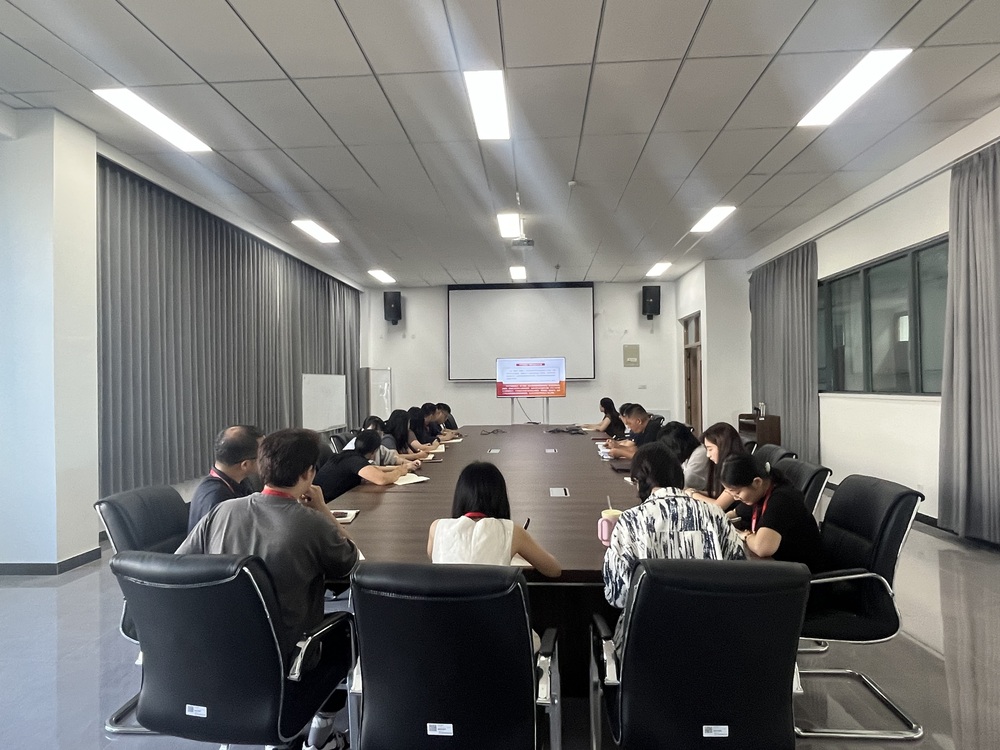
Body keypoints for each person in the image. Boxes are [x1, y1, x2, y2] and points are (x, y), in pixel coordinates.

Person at [177, 428, 358, 750]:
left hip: (220, 653)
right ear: (309, 473)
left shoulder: (222, 512)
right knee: (347, 632)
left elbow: (180, 568)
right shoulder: (311, 523)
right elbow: (351, 565)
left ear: (261, 467)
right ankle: (321, 737)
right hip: (291, 660)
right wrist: (322, 510)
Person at [603, 442, 745, 647]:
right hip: (713, 641)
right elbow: (740, 575)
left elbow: (616, 597)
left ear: (638, 482)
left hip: (647, 644)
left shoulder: (630, 521)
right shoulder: (715, 515)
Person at [427, 462, 561, 578]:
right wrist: (517, 550)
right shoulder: (511, 532)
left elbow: (435, 555)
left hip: (445, 601)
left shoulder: (437, 528)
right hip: (491, 601)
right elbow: (554, 570)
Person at [719, 453, 825, 573]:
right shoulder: (759, 493)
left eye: (737, 492)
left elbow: (762, 548)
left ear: (757, 482)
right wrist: (720, 520)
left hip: (803, 576)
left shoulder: (782, 499)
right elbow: (734, 514)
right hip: (779, 567)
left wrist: (745, 536)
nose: (735, 497)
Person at [187, 424, 264, 532]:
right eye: (263, 456)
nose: (267, 459)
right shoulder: (216, 498)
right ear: (245, 465)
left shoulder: (240, 481)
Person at [314, 429, 411, 502]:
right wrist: (399, 472)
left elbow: (373, 469)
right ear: (374, 451)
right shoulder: (355, 460)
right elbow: (382, 479)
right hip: (328, 504)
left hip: (324, 500)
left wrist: (398, 468)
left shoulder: (347, 455)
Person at [687, 422, 748, 511]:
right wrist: (697, 492)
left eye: (710, 449)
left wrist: (692, 494)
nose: (708, 455)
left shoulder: (737, 468)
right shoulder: (726, 464)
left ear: (723, 446)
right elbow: (721, 494)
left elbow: (718, 506)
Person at [344, 415, 428, 465]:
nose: (375, 435)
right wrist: (400, 469)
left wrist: (410, 463)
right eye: (372, 431)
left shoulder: (378, 447)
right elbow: (369, 468)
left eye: (379, 433)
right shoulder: (356, 446)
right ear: (363, 431)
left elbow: (393, 457)